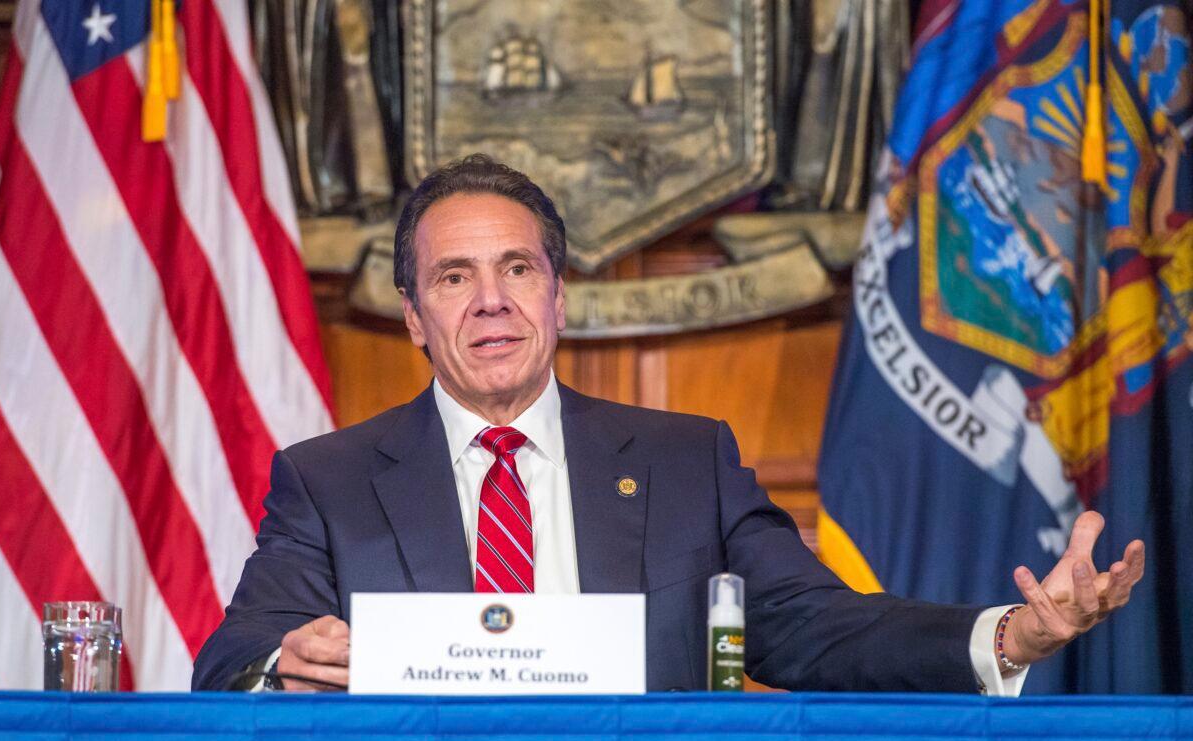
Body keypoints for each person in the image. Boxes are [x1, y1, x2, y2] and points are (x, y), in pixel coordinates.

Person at [192, 155, 1146, 693]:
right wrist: (285, 659)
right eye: (454, 278)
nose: (491, 302)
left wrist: (1013, 633)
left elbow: (816, 627)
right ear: (413, 317)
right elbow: (231, 657)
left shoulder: (688, 461)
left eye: (518, 270)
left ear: (559, 298)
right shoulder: (329, 477)